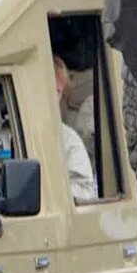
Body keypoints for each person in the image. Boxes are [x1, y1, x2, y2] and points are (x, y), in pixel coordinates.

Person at [53, 55, 97, 202]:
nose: (51, 97)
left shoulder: (67, 139)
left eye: (57, 92)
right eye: (46, 89)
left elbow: (84, 191)